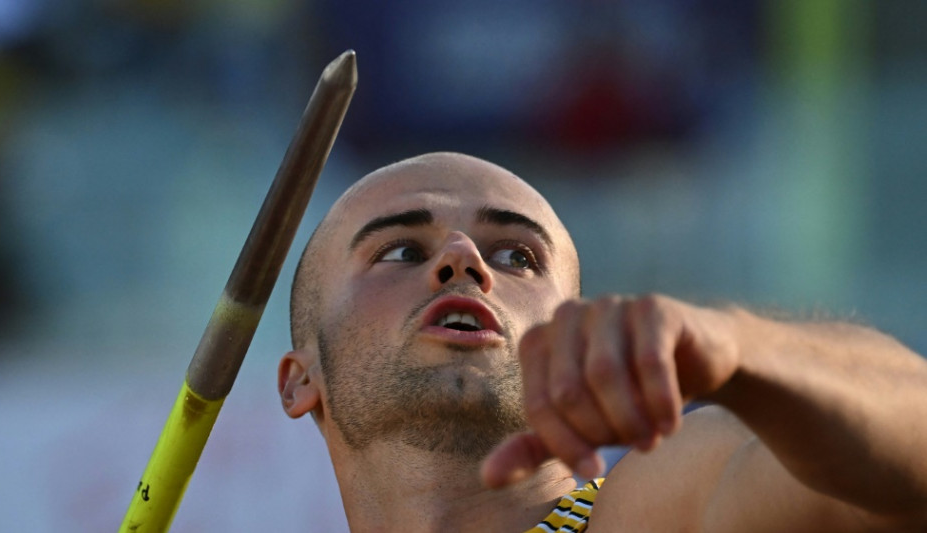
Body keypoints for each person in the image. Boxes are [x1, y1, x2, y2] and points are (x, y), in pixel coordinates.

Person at [277, 152, 927, 532]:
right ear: (300, 378)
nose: (462, 258)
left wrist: (739, 346)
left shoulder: (665, 505)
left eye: (517, 254)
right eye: (399, 249)